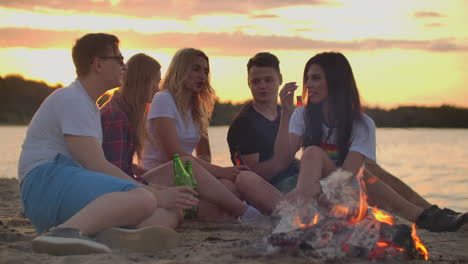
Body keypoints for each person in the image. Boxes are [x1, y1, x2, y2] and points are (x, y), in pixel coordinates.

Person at [229, 51, 468, 232]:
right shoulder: (268, 119)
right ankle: (424, 216)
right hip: (297, 187)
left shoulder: (360, 123)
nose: (309, 84)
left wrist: (312, 181)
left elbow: (346, 173)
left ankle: (430, 211)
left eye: (267, 80)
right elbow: (277, 163)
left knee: (366, 168)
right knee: (338, 163)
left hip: (322, 184)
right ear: (248, 83)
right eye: (256, 81)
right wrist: (289, 116)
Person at [17, 33, 196, 256]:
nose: (124, 66)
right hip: (44, 184)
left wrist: (156, 194)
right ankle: (64, 233)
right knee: (145, 199)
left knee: (169, 212)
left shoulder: (88, 105)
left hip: (60, 188)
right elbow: (95, 165)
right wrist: (153, 193)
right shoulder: (71, 99)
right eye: (119, 59)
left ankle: (109, 236)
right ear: (98, 64)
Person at [100, 52, 263, 224]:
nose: (202, 76)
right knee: (190, 168)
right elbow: (175, 155)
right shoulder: (161, 100)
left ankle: (232, 216)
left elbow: (204, 155)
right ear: (181, 70)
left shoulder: (197, 107)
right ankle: (249, 214)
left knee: (230, 189)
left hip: (187, 174)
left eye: (205, 71)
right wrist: (221, 171)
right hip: (166, 172)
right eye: (196, 69)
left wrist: (211, 176)